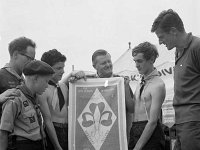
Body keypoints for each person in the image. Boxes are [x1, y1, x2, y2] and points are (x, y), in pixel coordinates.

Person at [151, 9, 200, 150]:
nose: (160, 42)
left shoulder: (197, 47)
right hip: (181, 123)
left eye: (161, 37)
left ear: (173, 31)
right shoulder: (178, 52)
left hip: (194, 122)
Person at [65, 49, 133, 142]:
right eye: (103, 63)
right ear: (94, 66)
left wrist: (125, 87)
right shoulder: (85, 82)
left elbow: (131, 109)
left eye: (109, 61)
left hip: (116, 138)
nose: (108, 65)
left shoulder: (122, 81)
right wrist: (74, 77)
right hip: (92, 138)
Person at [0, 60, 54, 150]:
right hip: (23, 145)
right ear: (35, 78)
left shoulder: (35, 97)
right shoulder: (15, 98)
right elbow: (3, 133)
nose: (47, 86)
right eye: (46, 81)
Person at [126, 42, 166, 150]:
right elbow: (132, 109)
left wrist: (137, 147)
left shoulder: (158, 84)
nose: (136, 65)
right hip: (134, 129)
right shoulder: (141, 82)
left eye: (140, 61)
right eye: (135, 61)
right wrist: (125, 87)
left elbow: (153, 121)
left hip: (151, 131)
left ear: (151, 60)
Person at [0, 37, 36, 150]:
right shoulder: (1, 76)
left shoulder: (24, 80)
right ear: (15, 54)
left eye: (33, 60)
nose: (31, 63)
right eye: (29, 58)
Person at [38, 49, 68, 150]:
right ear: (48, 69)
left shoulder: (64, 86)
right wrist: (57, 146)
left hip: (67, 129)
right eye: (58, 68)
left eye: (63, 67)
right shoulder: (43, 90)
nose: (63, 71)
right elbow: (47, 121)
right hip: (53, 131)